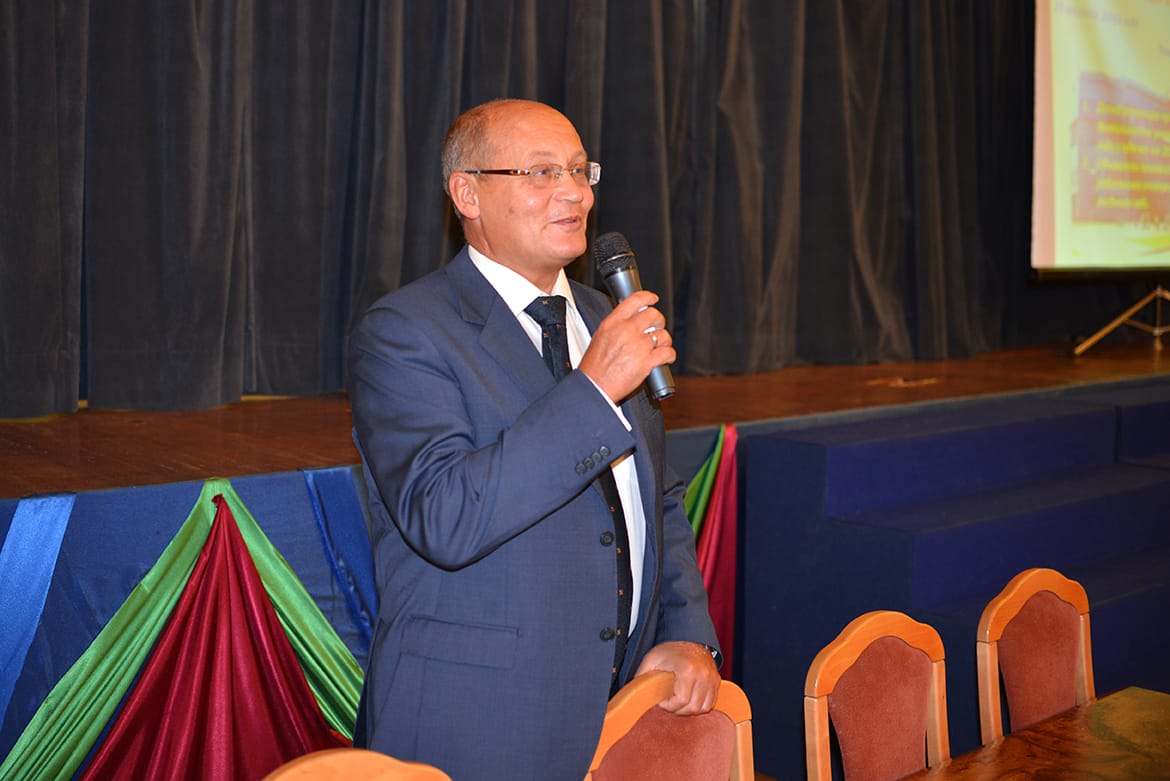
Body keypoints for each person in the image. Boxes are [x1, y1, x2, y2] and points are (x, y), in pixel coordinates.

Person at [346, 98, 720, 780]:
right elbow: (445, 515)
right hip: (475, 724)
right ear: (468, 194)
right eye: (541, 172)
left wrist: (686, 632)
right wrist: (593, 391)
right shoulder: (404, 331)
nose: (574, 193)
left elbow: (658, 496)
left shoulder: (603, 316)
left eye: (580, 170)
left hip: (620, 711)